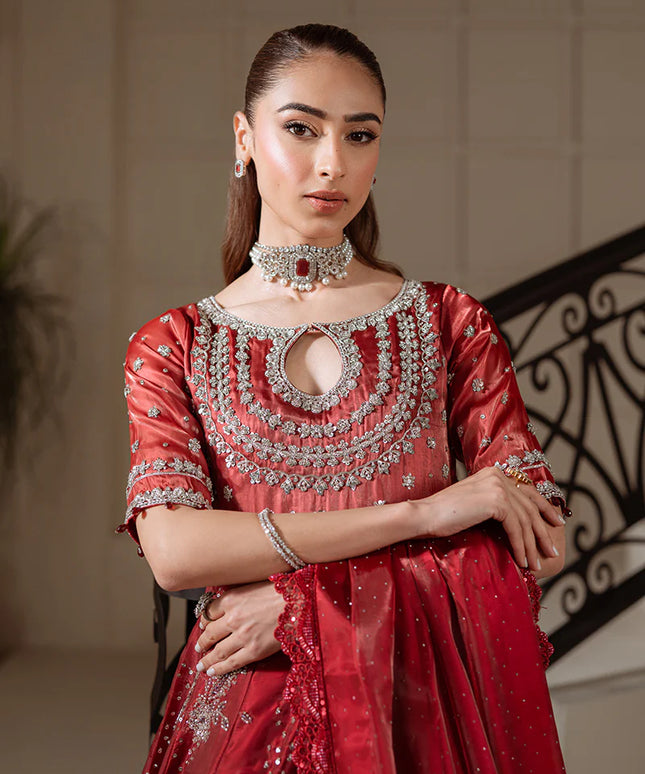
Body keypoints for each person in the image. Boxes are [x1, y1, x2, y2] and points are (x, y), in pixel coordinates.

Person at [117, 23, 571, 774]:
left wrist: (302, 606)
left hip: (419, 719)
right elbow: (175, 553)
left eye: (360, 135)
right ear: (244, 138)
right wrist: (423, 515)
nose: (333, 163)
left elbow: (540, 544)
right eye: (301, 129)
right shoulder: (174, 344)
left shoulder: (449, 324)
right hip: (242, 718)